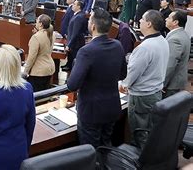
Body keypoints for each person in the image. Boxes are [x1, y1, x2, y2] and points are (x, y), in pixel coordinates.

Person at [67, 8, 125, 147]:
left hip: (91, 112)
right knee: (105, 147)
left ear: (92, 26)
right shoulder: (118, 46)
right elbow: (123, 75)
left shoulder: (86, 51)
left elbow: (72, 85)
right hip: (111, 108)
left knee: (91, 152)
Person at [119, 10, 169, 148]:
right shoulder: (163, 40)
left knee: (139, 134)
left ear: (149, 24)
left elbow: (133, 74)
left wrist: (124, 84)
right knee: (148, 130)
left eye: (142, 19)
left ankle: (141, 163)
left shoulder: (145, 47)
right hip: (155, 93)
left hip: (141, 97)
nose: (139, 21)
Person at [23, 14, 55, 92]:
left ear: (41, 24)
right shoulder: (52, 34)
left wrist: (25, 71)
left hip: (38, 71)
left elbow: (31, 57)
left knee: (36, 96)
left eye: (37, 21)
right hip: (49, 68)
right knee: (44, 95)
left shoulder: (36, 37)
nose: (35, 23)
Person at [163, 10, 190, 98]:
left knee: (167, 109)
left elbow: (170, 65)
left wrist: (162, 84)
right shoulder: (183, 34)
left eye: (169, 17)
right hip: (178, 81)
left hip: (172, 84)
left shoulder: (175, 39)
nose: (166, 19)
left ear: (175, 22)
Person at [63, 0, 87, 71]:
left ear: (79, 6)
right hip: (73, 41)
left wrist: (69, 45)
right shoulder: (77, 15)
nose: (72, 5)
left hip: (76, 44)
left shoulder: (79, 17)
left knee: (74, 61)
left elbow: (75, 33)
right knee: (70, 59)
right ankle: (69, 66)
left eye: (74, 4)